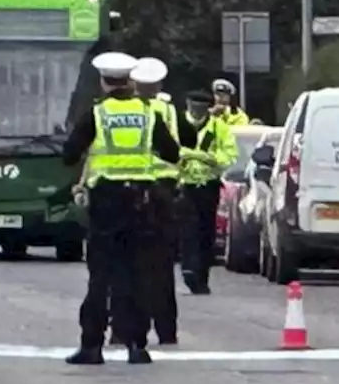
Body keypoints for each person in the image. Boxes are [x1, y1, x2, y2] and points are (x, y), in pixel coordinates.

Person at [62, 52, 181, 365]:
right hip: (142, 200)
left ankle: (92, 346)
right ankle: (137, 346)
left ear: (104, 82)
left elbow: (69, 154)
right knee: (137, 273)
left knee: (101, 275)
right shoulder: (147, 113)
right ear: (130, 81)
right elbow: (171, 152)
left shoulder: (97, 114)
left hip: (106, 202)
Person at [130, 56, 193, 346]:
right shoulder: (170, 110)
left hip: (132, 191)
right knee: (163, 267)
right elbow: (187, 141)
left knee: (131, 265)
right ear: (159, 84)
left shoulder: (125, 110)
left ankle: (129, 329)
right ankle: (167, 331)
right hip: (166, 193)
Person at [178, 90, 239, 295]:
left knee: (206, 232)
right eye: (194, 106)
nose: (197, 111)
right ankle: (189, 270)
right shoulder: (177, 124)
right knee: (189, 230)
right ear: (187, 104)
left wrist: (204, 157)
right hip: (183, 185)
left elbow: (230, 155)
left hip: (208, 185)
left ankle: (201, 276)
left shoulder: (218, 127)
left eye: (201, 107)